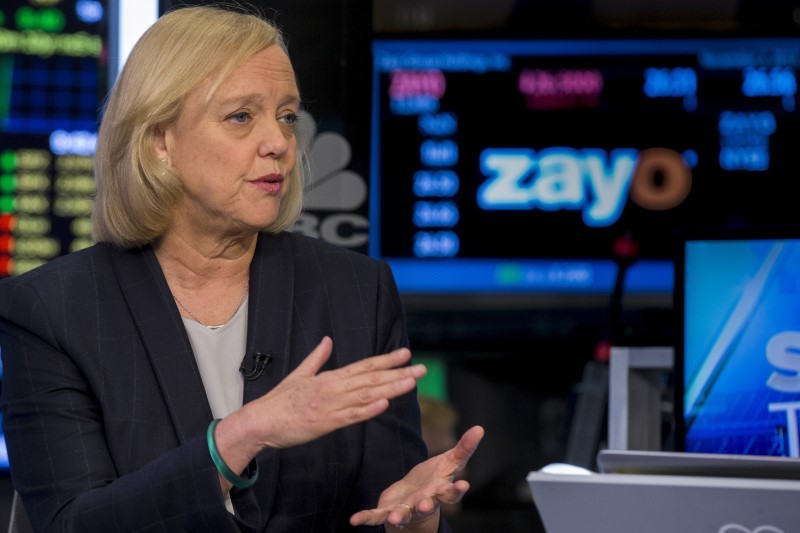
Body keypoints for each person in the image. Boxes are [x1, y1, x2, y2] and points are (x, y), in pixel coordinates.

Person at [0, 4, 484, 532]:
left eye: (287, 117)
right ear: (161, 139)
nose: (279, 143)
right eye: (240, 117)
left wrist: (411, 520)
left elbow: (389, 503)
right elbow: (73, 524)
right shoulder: (51, 309)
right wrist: (242, 434)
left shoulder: (356, 291)